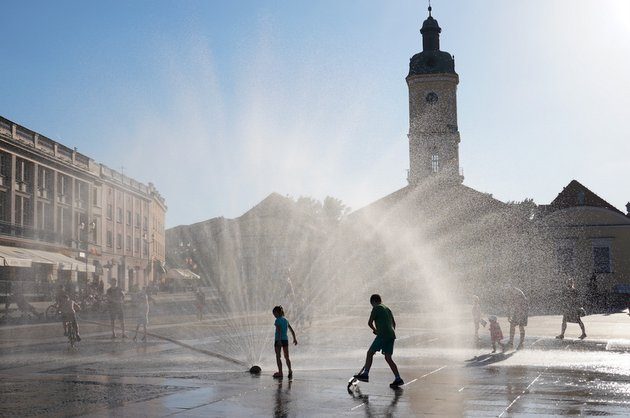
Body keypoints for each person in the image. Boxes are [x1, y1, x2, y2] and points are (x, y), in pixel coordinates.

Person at [353, 294, 404, 388]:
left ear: (373, 301)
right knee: (388, 358)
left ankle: (365, 374)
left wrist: (376, 330)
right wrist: (389, 333)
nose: (372, 306)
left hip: (383, 335)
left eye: (371, 304)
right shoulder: (387, 309)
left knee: (370, 353)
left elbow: (369, 323)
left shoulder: (376, 308)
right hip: (391, 335)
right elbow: (394, 323)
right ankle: (398, 379)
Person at [272, 305, 297, 379]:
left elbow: (278, 330)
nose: (274, 315)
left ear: (278, 313)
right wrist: (294, 339)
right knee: (287, 357)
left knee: (278, 356)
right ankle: (290, 370)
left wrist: (279, 341)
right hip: (285, 340)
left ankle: (280, 372)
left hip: (278, 340)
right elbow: (292, 330)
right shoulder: (286, 320)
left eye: (274, 313)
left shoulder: (277, 320)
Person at [506, 285, 528, 350]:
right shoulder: (511, 292)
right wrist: (509, 315)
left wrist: (509, 315)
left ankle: (521, 344)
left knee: (521, 326)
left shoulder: (516, 293)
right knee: (512, 324)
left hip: (523, 309)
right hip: (518, 309)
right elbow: (509, 304)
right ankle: (511, 343)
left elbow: (510, 304)